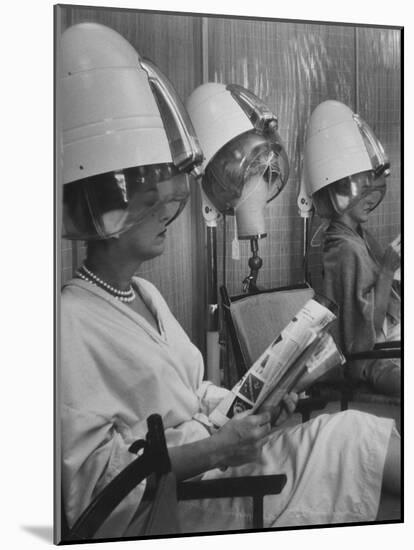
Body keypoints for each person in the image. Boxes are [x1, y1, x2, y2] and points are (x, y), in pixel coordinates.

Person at [60, 25, 401, 540]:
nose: (170, 210)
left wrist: (258, 403)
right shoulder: (68, 324)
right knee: (352, 441)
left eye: (168, 195)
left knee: (353, 430)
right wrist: (216, 447)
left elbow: (195, 394)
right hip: (196, 502)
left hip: (227, 459)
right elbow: (94, 497)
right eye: (150, 199)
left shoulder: (146, 295)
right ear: (104, 205)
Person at [302, 100, 401, 396]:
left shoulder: (358, 237)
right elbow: (361, 337)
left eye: (373, 189)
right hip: (374, 358)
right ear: (339, 192)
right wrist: (386, 271)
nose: (372, 199)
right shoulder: (344, 249)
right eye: (364, 191)